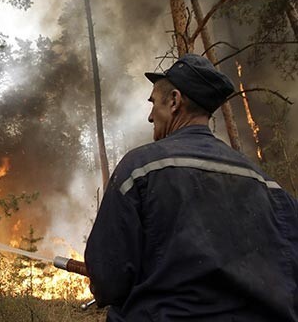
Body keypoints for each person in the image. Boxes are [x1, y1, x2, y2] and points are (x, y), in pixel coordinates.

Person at [84, 54, 298, 322]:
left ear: (174, 101)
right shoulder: (268, 185)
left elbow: (107, 279)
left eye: (153, 103)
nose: (151, 117)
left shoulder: (139, 169)